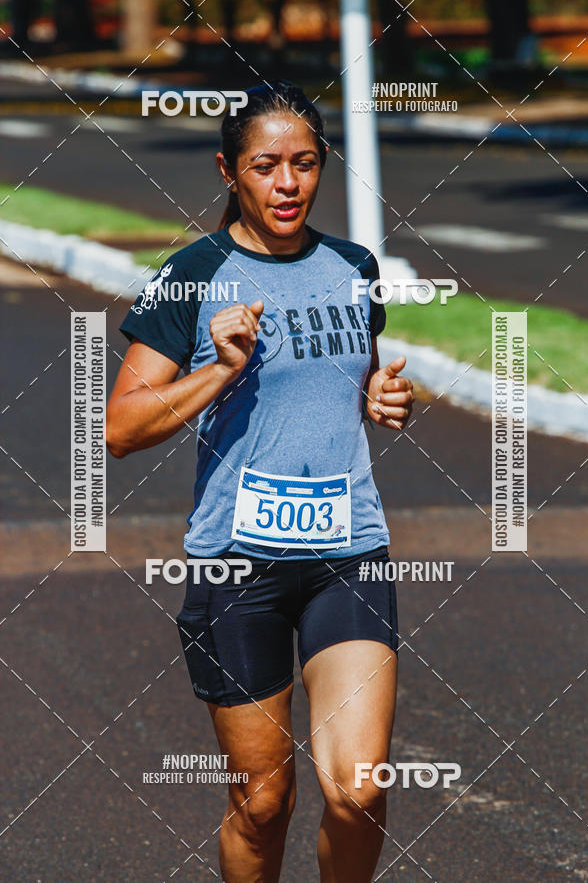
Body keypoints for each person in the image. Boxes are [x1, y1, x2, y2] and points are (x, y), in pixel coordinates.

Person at [107, 79, 414, 883]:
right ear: (228, 171)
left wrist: (382, 397)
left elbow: (351, 380)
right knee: (263, 803)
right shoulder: (192, 274)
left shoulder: (353, 266)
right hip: (237, 565)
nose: (287, 184)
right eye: (266, 166)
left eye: (304, 164)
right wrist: (219, 371)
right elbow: (119, 430)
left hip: (348, 551)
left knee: (358, 790)